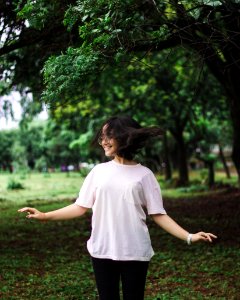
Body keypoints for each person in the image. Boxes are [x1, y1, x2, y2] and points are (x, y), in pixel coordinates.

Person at [18, 116, 217, 300]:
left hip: (135, 251)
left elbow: (158, 214)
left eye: (109, 136)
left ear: (125, 137)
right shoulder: (98, 172)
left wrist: (189, 236)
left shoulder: (144, 175)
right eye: (102, 137)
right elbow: (80, 207)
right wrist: (44, 215)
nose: (103, 141)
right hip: (102, 250)